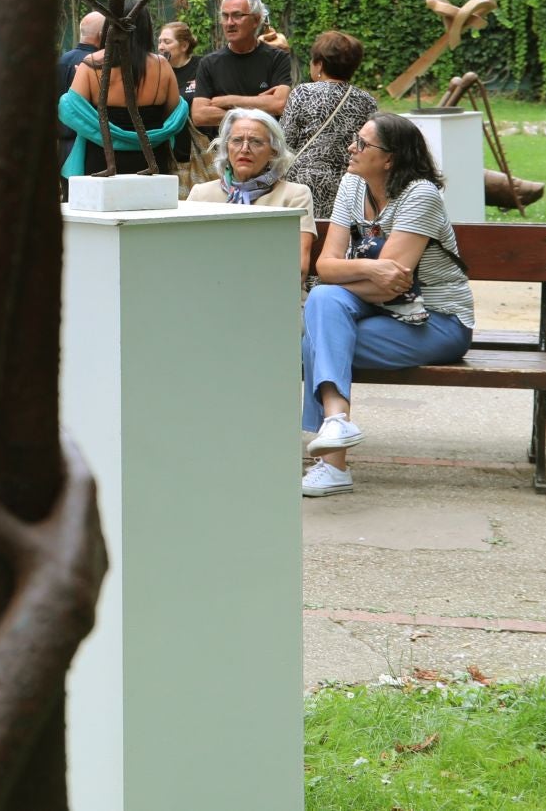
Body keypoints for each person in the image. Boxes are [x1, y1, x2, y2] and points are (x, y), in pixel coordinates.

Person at [299, 113, 474, 498]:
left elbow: (391, 287)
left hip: (436, 321)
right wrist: (366, 267)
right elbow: (325, 268)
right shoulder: (351, 184)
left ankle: (333, 464)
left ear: (389, 158)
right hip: (376, 312)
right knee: (324, 299)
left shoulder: (420, 195)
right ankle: (336, 425)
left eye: (362, 144)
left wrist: (346, 272)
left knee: (316, 340)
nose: (351, 148)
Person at [58, 5, 185, 178]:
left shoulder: (91, 64)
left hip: (101, 160)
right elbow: (174, 113)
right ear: (146, 28)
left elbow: (69, 109)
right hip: (151, 160)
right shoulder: (162, 66)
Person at [188, 109, 316, 281]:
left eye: (256, 142)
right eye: (237, 140)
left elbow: (299, 268)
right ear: (227, 147)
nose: (245, 149)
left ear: (274, 151)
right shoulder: (201, 194)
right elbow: (183, 255)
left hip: (274, 294)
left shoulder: (295, 195)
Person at [281, 30, 378, 218]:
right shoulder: (367, 101)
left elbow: (284, 142)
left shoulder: (302, 93)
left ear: (319, 65)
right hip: (349, 182)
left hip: (303, 183)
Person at [190, 0, 295, 141]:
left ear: (256, 20)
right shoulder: (209, 63)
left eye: (237, 15)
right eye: (225, 16)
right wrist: (261, 106)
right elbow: (200, 115)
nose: (229, 23)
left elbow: (279, 104)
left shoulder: (277, 58)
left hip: (267, 150)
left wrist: (228, 101)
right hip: (225, 152)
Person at [55, 11, 105, 184]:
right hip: (90, 145)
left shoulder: (62, 61)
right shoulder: (99, 63)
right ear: (101, 35)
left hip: (63, 145)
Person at [157, 20, 202, 193]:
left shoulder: (202, 66)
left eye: (167, 42)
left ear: (184, 45)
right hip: (166, 149)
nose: (161, 46)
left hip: (196, 149)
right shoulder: (156, 69)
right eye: (160, 41)